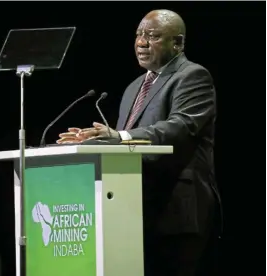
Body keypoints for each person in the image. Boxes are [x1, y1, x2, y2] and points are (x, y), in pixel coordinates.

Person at [57, 9, 221, 276]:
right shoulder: (134, 87)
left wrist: (119, 136)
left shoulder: (192, 76)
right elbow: (126, 145)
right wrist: (96, 140)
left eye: (153, 36)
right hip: (134, 207)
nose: (142, 43)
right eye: (139, 35)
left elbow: (179, 127)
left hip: (176, 209)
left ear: (177, 43)